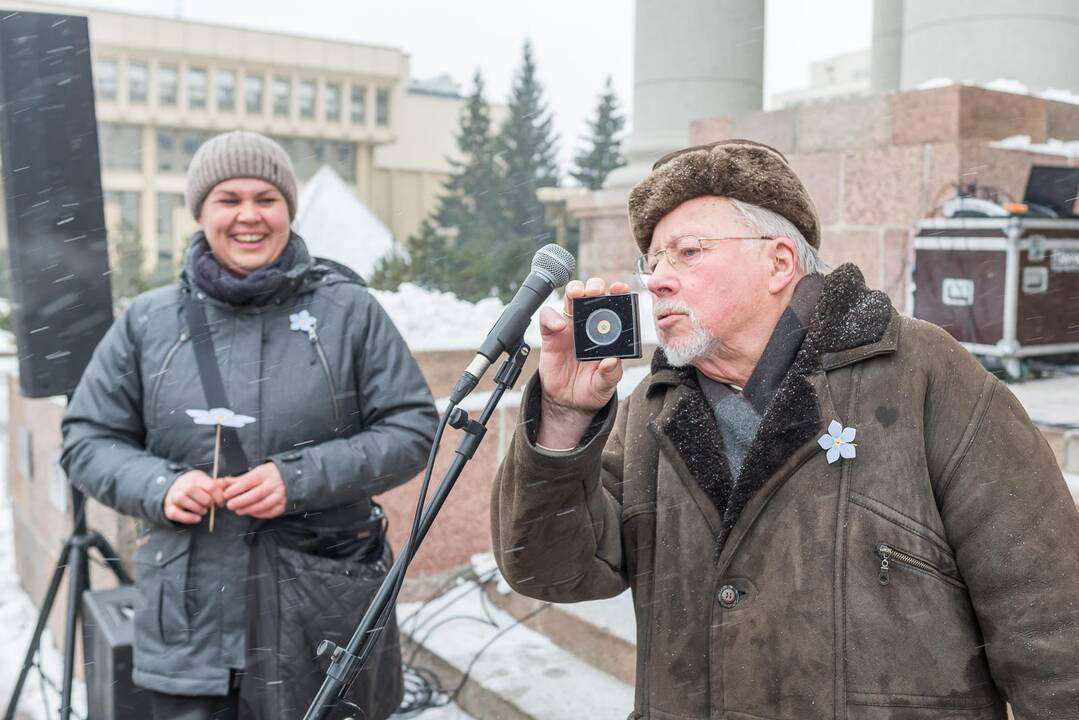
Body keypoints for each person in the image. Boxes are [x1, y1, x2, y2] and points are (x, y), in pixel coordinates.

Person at [491, 139, 1079, 719]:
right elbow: (552, 568)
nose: (657, 279)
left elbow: (1050, 619)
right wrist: (566, 418)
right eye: (653, 260)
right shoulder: (653, 407)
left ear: (778, 262)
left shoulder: (921, 372)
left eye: (688, 252)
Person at [62, 130, 439, 720]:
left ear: (288, 208)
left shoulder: (348, 312)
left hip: (318, 612)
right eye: (228, 199)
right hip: (187, 625)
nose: (248, 216)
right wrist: (160, 486)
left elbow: (413, 428)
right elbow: (86, 439)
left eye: (266, 198)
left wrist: (299, 477)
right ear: (200, 212)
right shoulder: (147, 321)